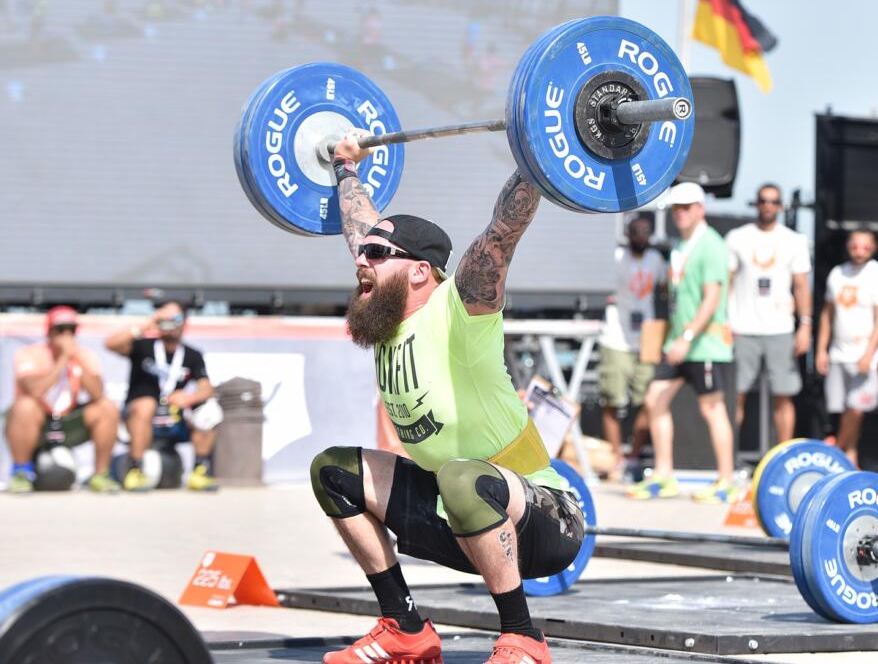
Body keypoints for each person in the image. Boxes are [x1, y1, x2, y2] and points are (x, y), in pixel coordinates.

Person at [309, 132, 584, 664]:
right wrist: (345, 168)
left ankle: (524, 638)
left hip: (544, 519)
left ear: (419, 271)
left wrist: (540, 159)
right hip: (456, 514)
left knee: (460, 474)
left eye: (375, 254)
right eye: (362, 251)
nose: (360, 259)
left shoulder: (459, 312)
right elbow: (359, 224)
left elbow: (502, 234)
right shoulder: (384, 316)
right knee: (332, 470)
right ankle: (405, 627)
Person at [628, 182, 737, 503]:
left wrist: (687, 337)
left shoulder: (712, 245)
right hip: (678, 342)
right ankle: (664, 475)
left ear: (701, 209)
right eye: (676, 208)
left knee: (712, 409)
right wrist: (673, 338)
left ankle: (727, 480)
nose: (681, 214)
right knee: (654, 398)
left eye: (687, 207)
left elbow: (712, 298)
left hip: (704, 344)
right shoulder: (679, 246)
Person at [725, 183, 813, 445]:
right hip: (743, 328)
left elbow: (801, 286)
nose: (767, 205)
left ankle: (782, 455)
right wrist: (724, 321)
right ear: (756, 203)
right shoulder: (737, 237)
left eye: (773, 201)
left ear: (781, 205)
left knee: (784, 395)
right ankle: (729, 459)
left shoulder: (793, 240)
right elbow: (727, 282)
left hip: (780, 329)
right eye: (763, 200)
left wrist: (805, 325)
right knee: (736, 394)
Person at [105, 301, 222, 492]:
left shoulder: (192, 355)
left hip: (174, 419)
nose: (170, 324)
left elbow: (207, 388)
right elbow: (110, 344)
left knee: (209, 410)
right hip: (139, 419)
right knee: (146, 405)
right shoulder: (143, 346)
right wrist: (147, 324)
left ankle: (200, 470)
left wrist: (189, 397)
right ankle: (136, 469)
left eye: (175, 319)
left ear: (184, 322)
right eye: (165, 319)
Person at [6, 306, 120, 493]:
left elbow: (98, 393)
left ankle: (101, 474)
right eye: (60, 330)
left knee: (106, 407)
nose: (66, 335)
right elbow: (35, 391)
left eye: (71, 330)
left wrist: (75, 359)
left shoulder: (83, 355)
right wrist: (63, 359)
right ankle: (21, 473)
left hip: (67, 419)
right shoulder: (30, 354)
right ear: (49, 332)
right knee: (25, 405)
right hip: (37, 420)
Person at [597, 215, 665, 480]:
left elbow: (663, 294)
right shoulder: (615, 257)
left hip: (645, 337)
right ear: (627, 233)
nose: (641, 235)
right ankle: (616, 457)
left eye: (646, 231)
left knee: (648, 401)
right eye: (636, 231)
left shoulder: (657, 261)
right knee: (613, 399)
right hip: (615, 336)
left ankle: (634, 456)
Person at [815, 229, 878, 467]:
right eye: (855, 246)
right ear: (848, 246)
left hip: (865, 355)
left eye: (865, 247)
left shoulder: (877, 273)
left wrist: (869, 353)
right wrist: (821, 349)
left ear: (874, 248)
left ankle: (835, 451)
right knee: (842, 409)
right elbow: (827, 315)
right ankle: (850, 458)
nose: (860, 251)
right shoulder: (837, 274)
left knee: (857, 409)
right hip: (839, 353)